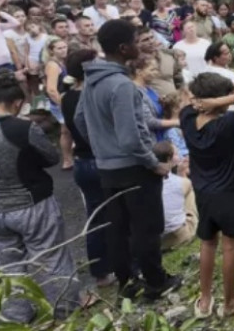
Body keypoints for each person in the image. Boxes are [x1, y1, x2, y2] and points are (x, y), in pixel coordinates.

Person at [73, 19, 181, 300]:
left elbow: (80, 120)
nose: (139, 45)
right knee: (147, 228)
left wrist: (101, 146)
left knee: (118, 229)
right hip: (133, 168)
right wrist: (153, 163)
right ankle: (156, 281)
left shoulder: (91, 81)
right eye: (135, 41)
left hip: (107, 168)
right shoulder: (122, 85)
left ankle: (127, 283)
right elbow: (131, 137)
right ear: (123, 48)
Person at [0, 71, 80, 323]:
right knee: (51, 257)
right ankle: (63, 312)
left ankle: (15, 318)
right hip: (32, 203)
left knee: (6, 267)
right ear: (17, 103)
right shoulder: (24, 128)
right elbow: (51, 158)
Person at [182, 73, 234, 320]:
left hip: (203, 192)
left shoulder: (187, 117)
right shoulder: (226, 123)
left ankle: (204, 301)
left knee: (207, 243)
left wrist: (206, 100)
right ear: (218, 99)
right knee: (230, 245)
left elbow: (186, 94)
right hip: (229, 192)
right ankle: (228, 303)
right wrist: (219, 101)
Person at [61, 49, 114, 289]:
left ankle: (101, 272)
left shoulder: (67, 98)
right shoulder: (95, 93)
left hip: (82, 161)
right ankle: (126, 264)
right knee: (118, 213)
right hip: (101, 158)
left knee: (95, 216)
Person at [154, 141, 197, 251]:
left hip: (157, 240)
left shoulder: (146, 182)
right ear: (169, 159)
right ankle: (192, 224)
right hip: (179, 235)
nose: (180, 157)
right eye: (177, 154)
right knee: (189, 191)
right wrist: (182, 174)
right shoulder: (182, 182)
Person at [44, 37, 72, 168]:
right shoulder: (53, 65)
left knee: (69, 130)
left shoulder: (62, 63)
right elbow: (51, 89)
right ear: (52, 51)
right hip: (60, 102)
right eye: (59, 48)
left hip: (65, 100)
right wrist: (63, 105)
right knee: (65, 131)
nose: (63, 50)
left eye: (64, 47)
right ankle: (67, 160)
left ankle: (70, 156)